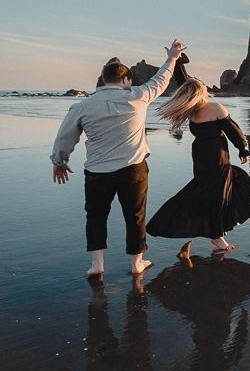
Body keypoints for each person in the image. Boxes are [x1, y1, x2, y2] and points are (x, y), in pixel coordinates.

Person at [51, 39, 186, 278]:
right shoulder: (138, 96)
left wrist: (59, 162)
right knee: (134, 215)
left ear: (103, 80)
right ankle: (137, 263)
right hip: (132, 169)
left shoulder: (83, 105)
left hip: (97, 172)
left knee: (95, 215)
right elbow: (161, 80)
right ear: (126, 80)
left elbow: (65, 136)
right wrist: (172, 57)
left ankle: (97, 265)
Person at [147, 66, 250, 253]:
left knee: (211, 190)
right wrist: (243, 150)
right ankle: (217, 236)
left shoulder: (192, 109)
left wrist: (178, 62)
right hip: (216, 155)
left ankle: (217, 233)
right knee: (217, 194)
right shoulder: (214, 108)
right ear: (201, 91)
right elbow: (234, 131)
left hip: (200, 155)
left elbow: (186, 83)